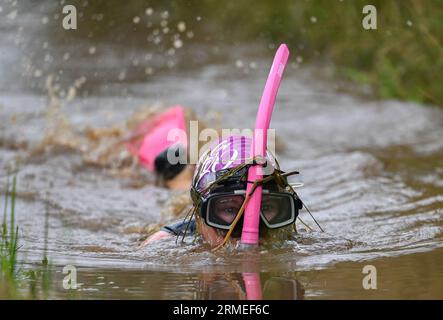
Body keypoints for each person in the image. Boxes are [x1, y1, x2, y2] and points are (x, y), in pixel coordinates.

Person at [139, 135, 303, 248]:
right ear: (199, 214)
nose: (250, 228)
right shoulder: (168, 241)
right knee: (177, 187)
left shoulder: (295, 242)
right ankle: (175, 172)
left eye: (266, 208)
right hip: (181, 200)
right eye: (230, 209)